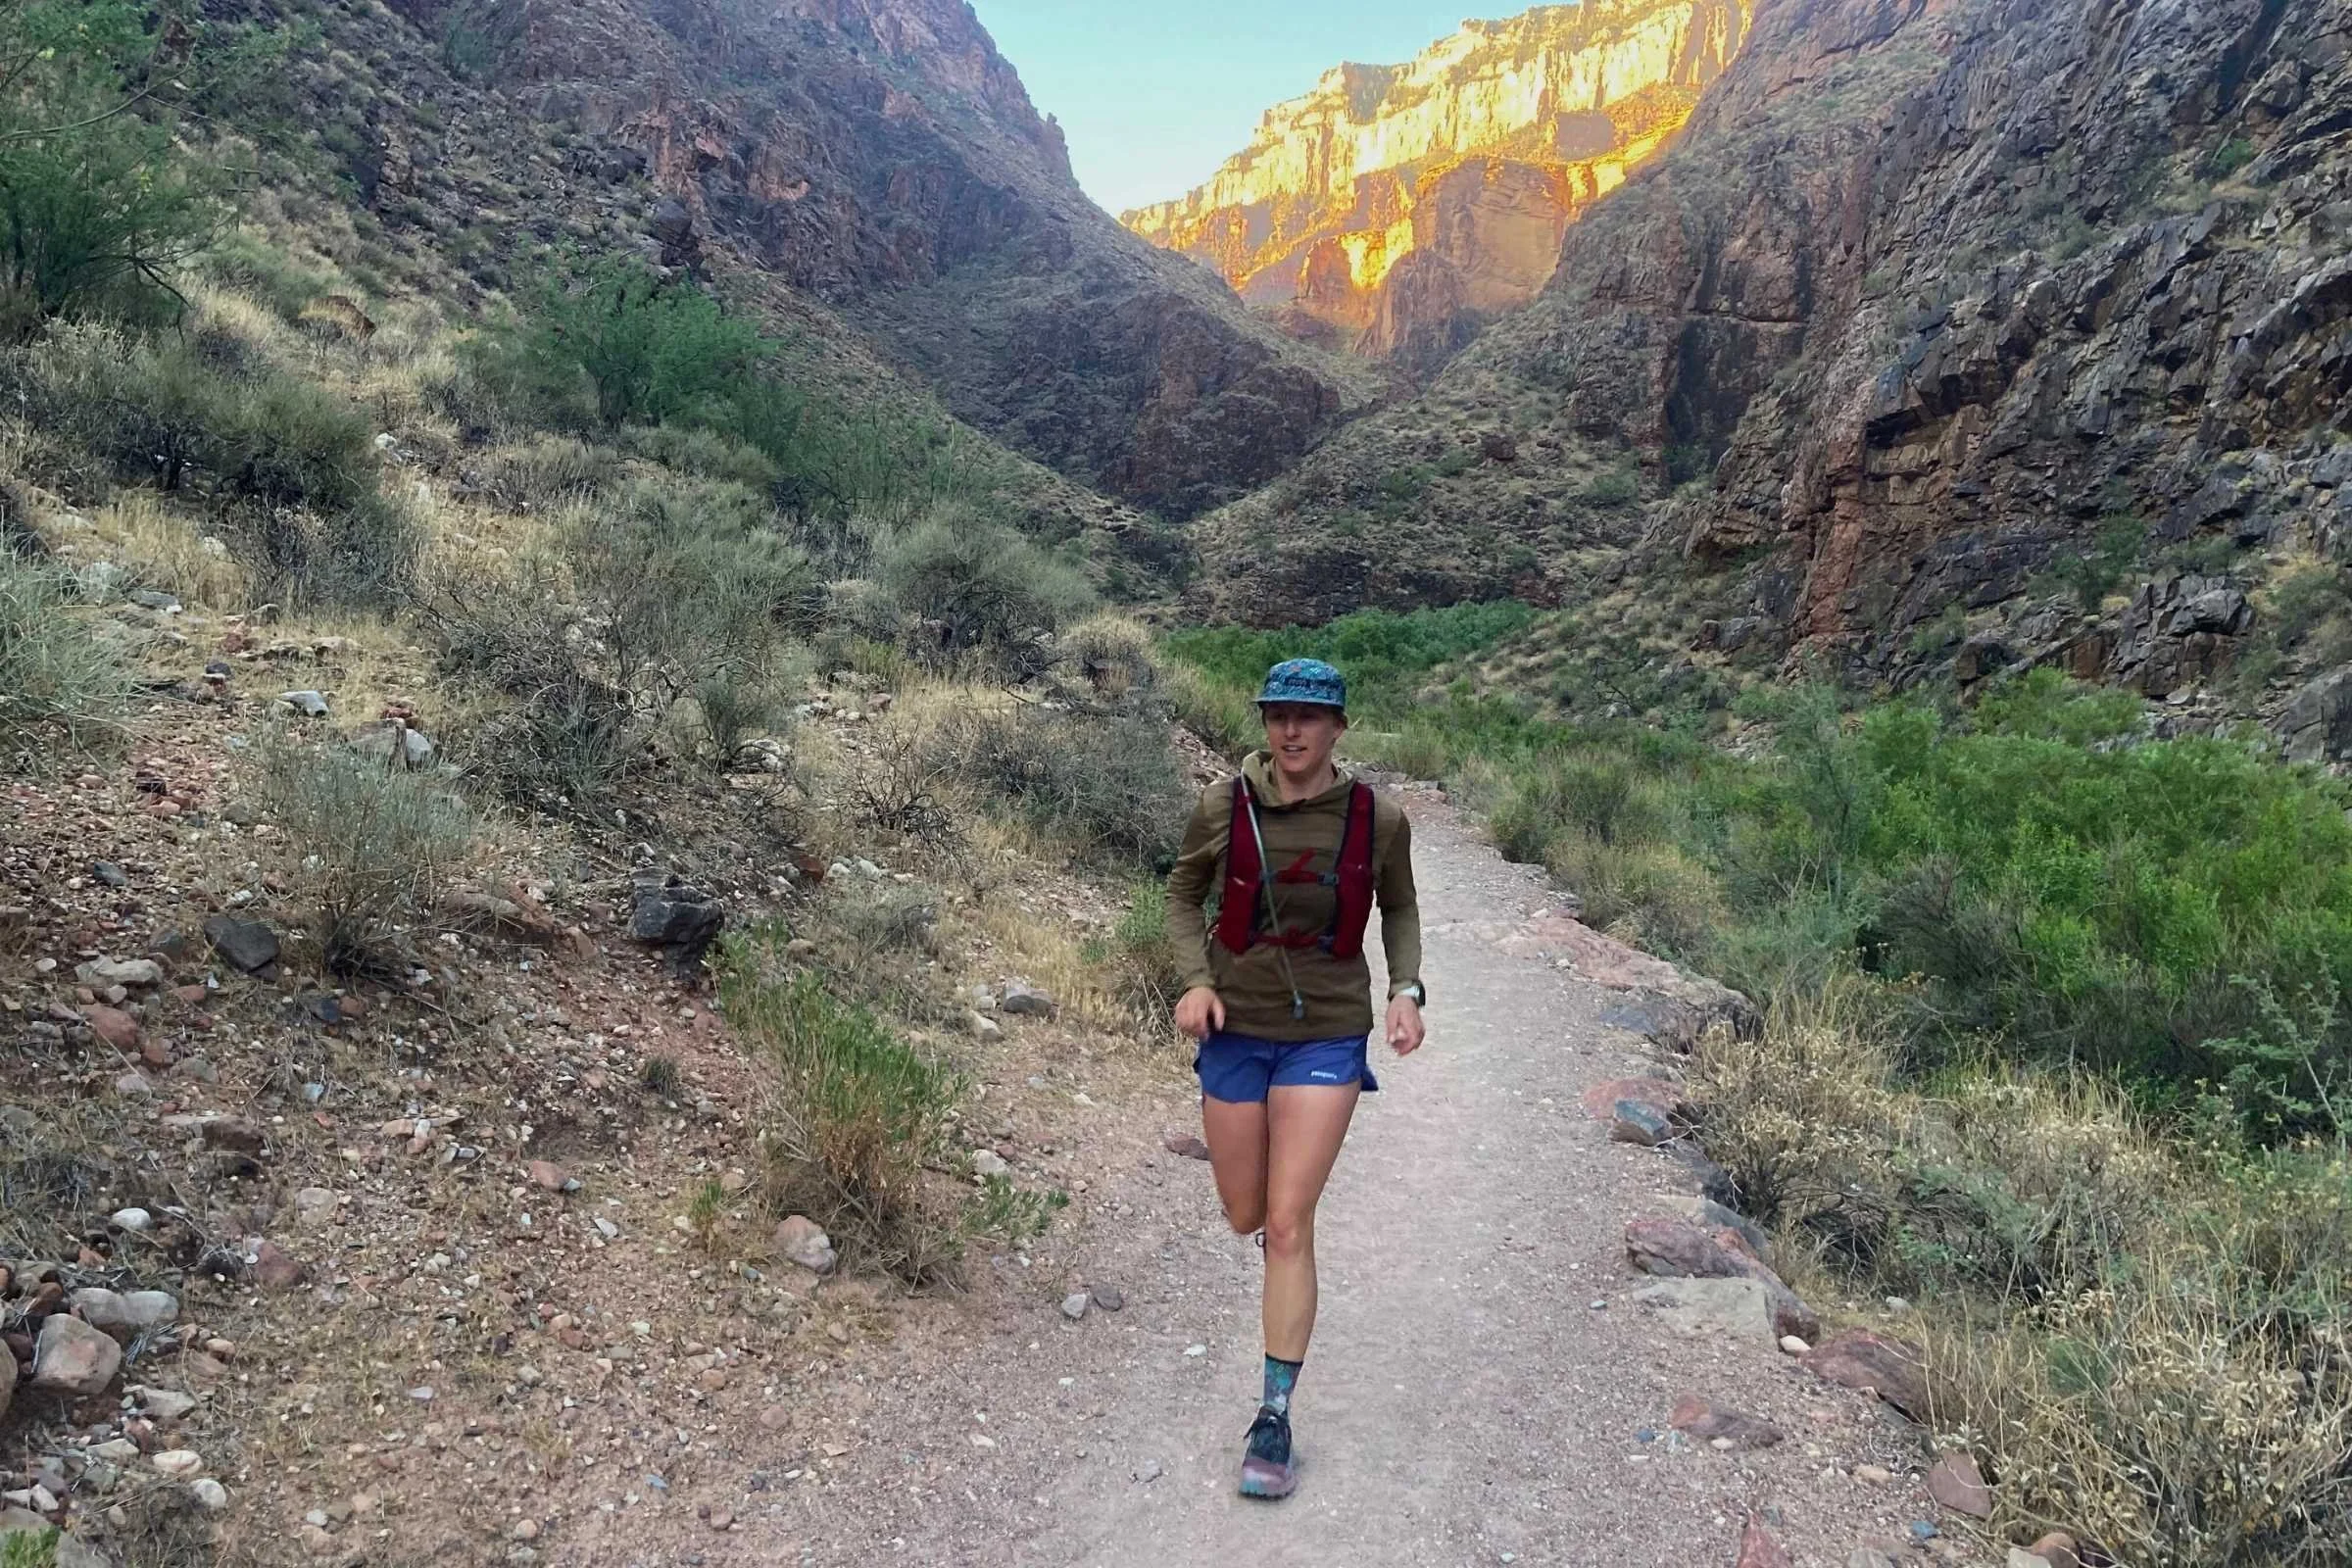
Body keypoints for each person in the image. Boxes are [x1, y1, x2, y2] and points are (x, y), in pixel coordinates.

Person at [1164, 657, 1426, 1500]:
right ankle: (1278, 1272)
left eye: (1309, 718)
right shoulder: (1223, 804)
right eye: (1279, 714)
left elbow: (1402, 905)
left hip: (1328, 1030)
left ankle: (1274, 1414)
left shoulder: (1376, 817)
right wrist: (1194, 979)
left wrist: (1406, 990)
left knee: (1285, 1221)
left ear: (1338, 727)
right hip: (1237, 1029)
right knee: (1244, 1212)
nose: (1291, 731)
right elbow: (1182, 895)